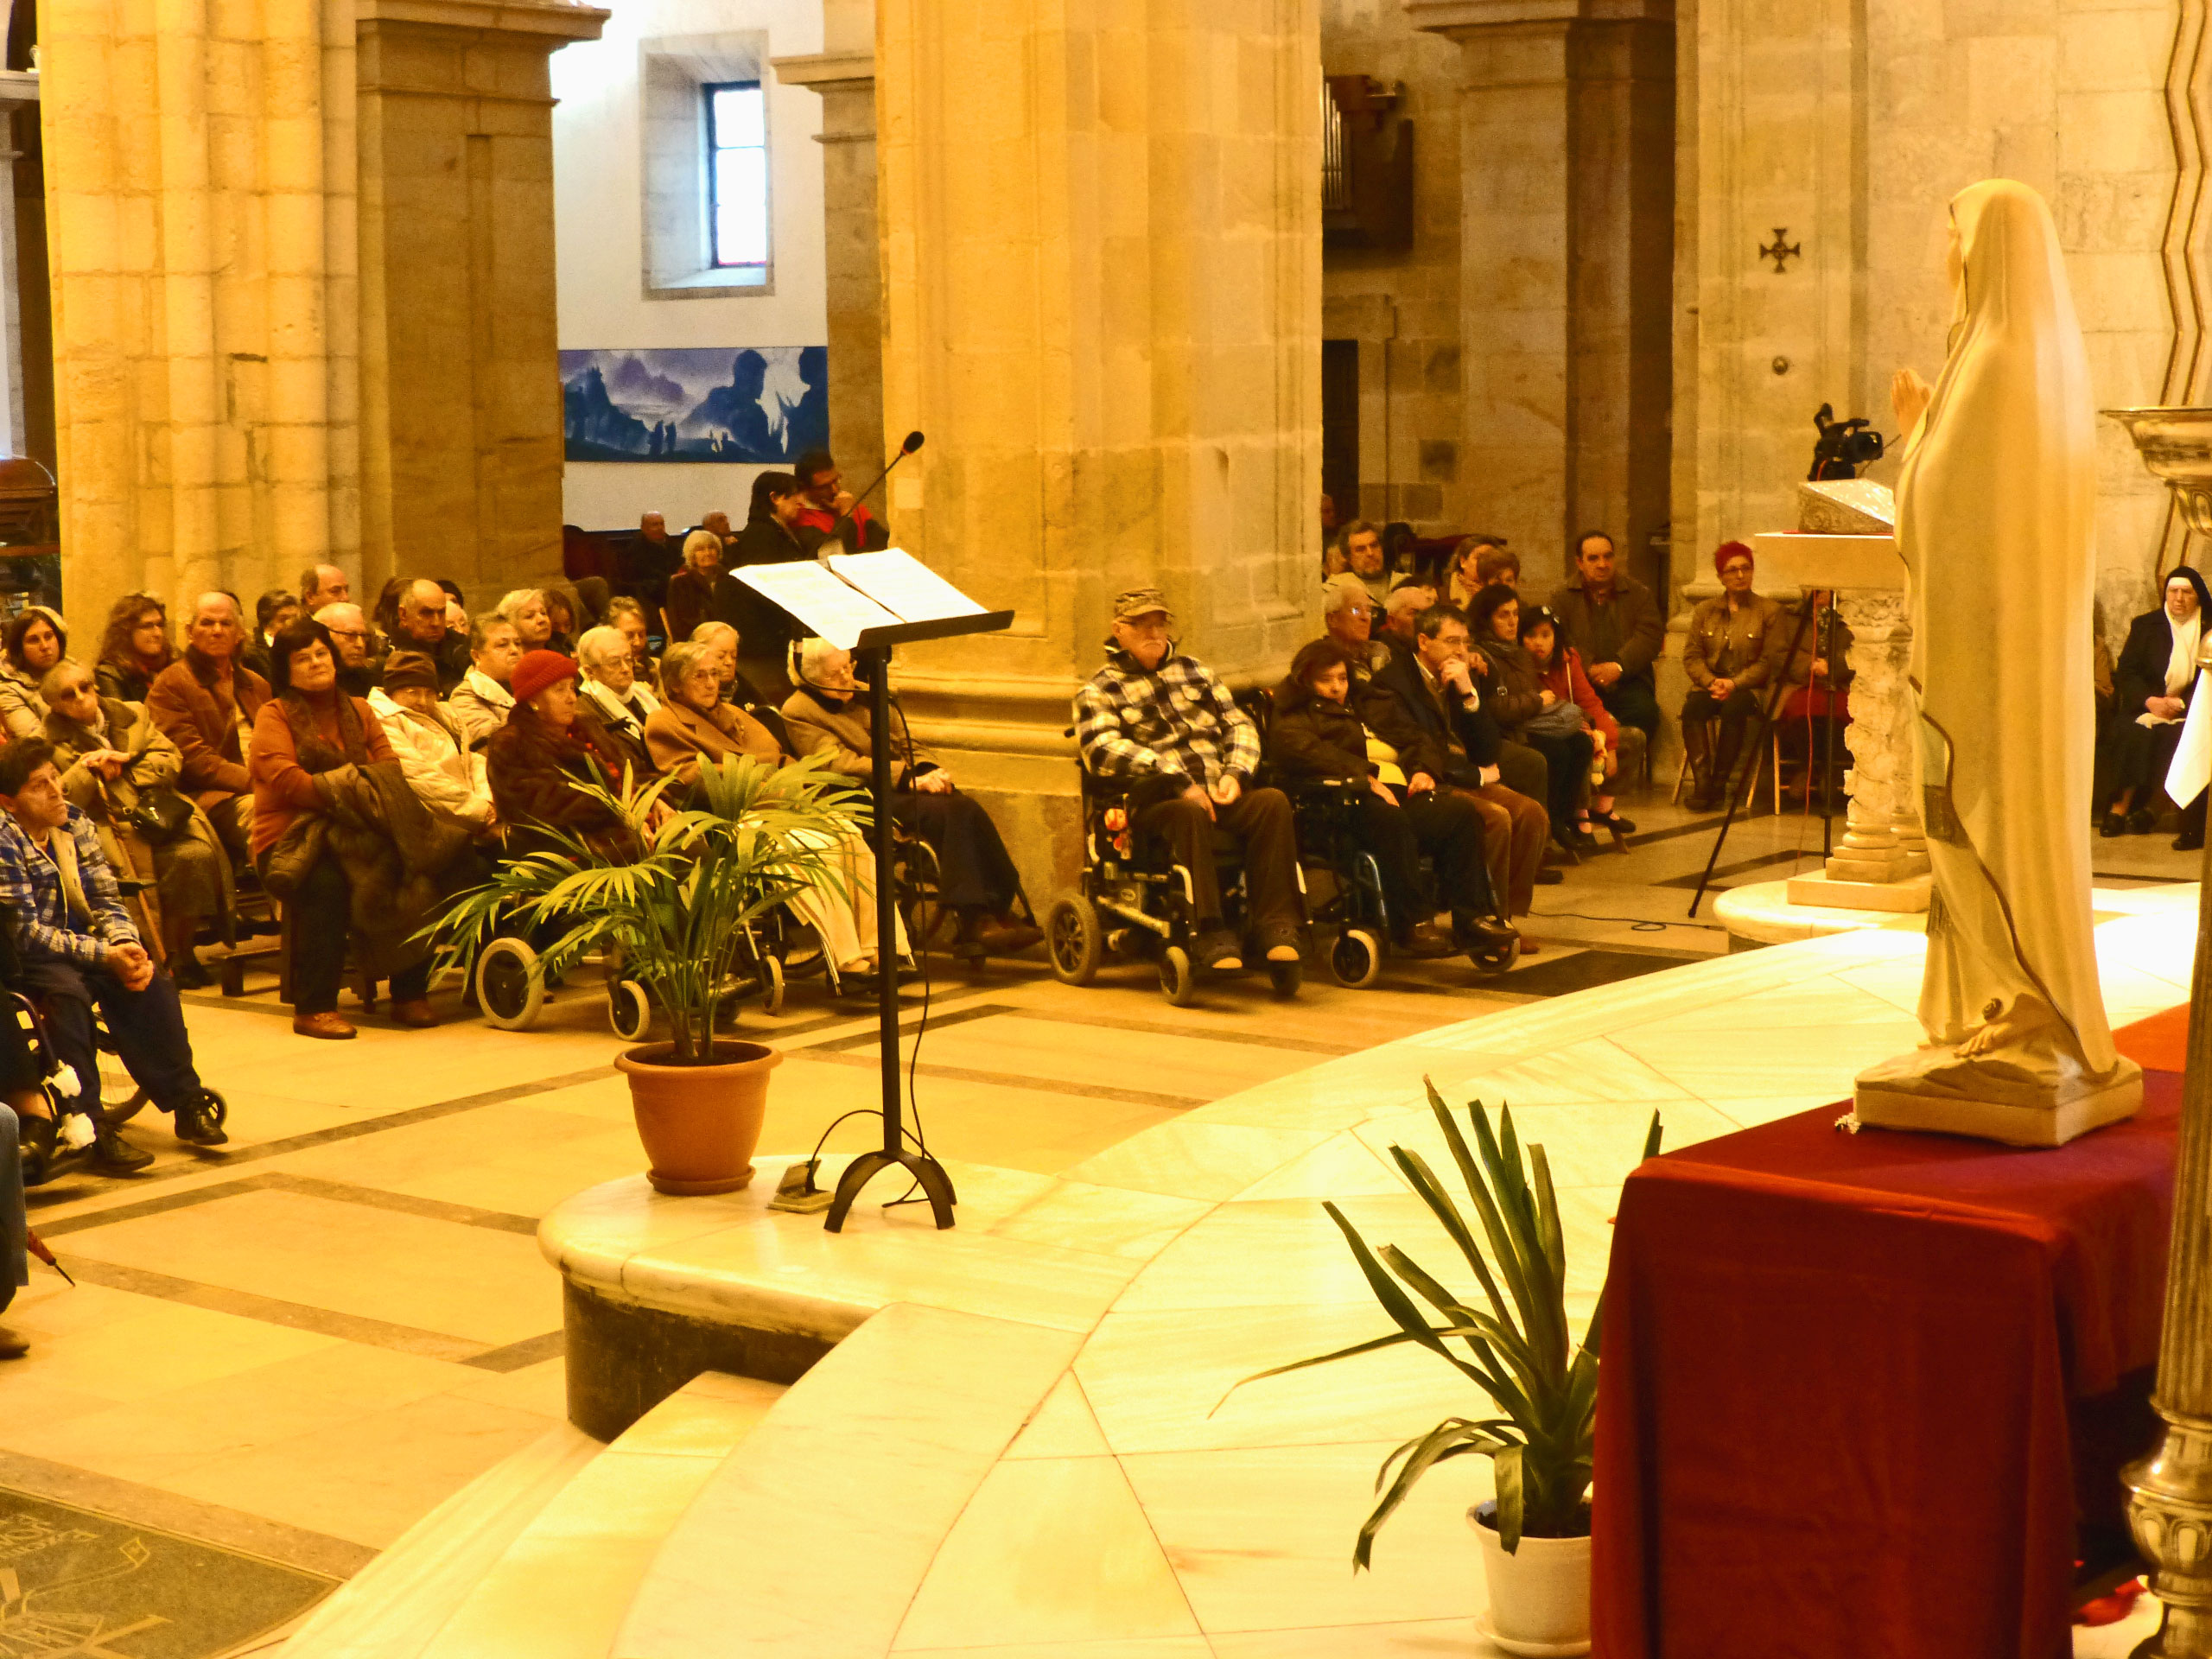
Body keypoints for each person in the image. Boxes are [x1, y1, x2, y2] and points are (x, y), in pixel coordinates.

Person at [0, 736, 226, 1147]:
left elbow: (105, 896)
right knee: (68, 997)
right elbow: (26, 931)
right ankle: (90, 1123)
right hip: (30, 955)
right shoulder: (4, 839)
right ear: (9, 802)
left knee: (150, 979)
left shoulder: (74, 823)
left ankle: (187, 1101)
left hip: (83, 941)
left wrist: (124, 944)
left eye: (55, 778)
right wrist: (105, 955)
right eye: (38, 785)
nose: (56, 791)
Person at [646, 641, 907, 988]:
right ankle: (846, 958)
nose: (711, 683)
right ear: (675, 684)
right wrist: (768, 784)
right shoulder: (664, 722)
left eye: (713, 674)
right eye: (699, 676)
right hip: (736, 817)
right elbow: (692, 776)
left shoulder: (736, 714)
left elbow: (780, 756)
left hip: (786, 802)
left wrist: (798, 784)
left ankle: (881, 946)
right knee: (816, 851)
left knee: (849, 837)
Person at [1073, 588, 1305, 972]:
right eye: (1141, 624)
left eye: (1159, 623)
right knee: (1188, 814)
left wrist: (1235, 773)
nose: (1153, 632)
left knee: (1272, 802)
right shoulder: (1099, 689)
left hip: (1217, 789)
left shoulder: (1197, 672)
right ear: (1118, 630)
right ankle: (1210, 931)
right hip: (1156, 803)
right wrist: (1177, 781)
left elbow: (1238, 724)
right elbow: (1102, 749)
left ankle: (1276, 925)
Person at [782, 638, 1041, 964]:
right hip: (857, 793)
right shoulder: (798, 710)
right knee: (950, 812)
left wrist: (928, 771)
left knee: (964, 806)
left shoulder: (871, 693)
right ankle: (975, 917)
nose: (847, 677)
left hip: (898, 782)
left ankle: (997, 908)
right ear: (811, 679)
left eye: (849, 666)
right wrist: (907, 778)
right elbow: (838, 764)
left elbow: (908, 742)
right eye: (835, 674)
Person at [249, 619, 442, 1038]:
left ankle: (410, 993)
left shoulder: (360, 709)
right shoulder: (273, 715)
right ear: (286, 671)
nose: (316, 663)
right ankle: (314, 1007)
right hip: (293, 837)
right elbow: (289, 782)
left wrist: (353, 794)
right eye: (303, 658)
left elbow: (389, 770)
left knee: (413, 867)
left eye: (321, 653)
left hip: (362, 828)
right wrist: (355, 789)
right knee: (327, 887)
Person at [1268, 639, 1516, 960]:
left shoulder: (1368, 701)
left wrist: (1424, 769)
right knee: (1391, 820)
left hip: (1398, 791)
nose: (1336, 687)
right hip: (1342, 804)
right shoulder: (1294, 715)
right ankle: (1413, 923)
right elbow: (1305, 752)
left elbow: (1417, 737)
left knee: (1458, 813)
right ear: (1306, 681)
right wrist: (1365, 778)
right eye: (1326, 680)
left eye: (1342, 678)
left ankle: (1472, 918)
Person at [1364, 605, 1551, 946]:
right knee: (1496, 818)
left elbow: (1488, 749)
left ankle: (1506, 915)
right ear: (1424, 641)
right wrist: (1473, 776)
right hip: (1427, 779)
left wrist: (1469, 695)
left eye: (1465, 642)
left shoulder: (1460, 676)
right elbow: (1415, 745)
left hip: (1462, 773)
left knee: (1531, 813)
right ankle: (1482, 916)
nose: (1461, 650)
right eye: (1452, 641)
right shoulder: (1392, 684)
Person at [42, 660, 232, 987]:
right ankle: (155, 957)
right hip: (106, 824)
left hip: (159, 812)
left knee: (197, 855)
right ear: (54, 705)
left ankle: (182, 950)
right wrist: (89, 768)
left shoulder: (132, 713)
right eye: (68, 695)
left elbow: (170, 758)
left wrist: (124, 763)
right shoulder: (46, 741)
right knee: (132, 877)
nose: (81, 698)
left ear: (95, 686)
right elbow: (59, 797)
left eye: (85, 688)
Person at [147, 592, 269, 872]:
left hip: (265, 784)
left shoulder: (256, 684)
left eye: (226, 624)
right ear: (190, 632)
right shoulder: (172, 683)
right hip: (210, 796)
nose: (216, 630)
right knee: (265, 814)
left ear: (239, 633)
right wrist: (257, 783)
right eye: (207, 623)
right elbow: (193, 760)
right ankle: (285, 900)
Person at [1469, 585, 1595, 853]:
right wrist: (1537, 700)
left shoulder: (1519, 653)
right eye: (1503, 615)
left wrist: (1580, 718)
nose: (1512, 621)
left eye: (1515, 613)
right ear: (1487, 619)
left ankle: (1561, 817)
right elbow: (1497, 709)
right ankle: (1545, 830)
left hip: (1526, 722)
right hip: (1504, 731)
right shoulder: (1482, 655)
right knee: (1554, 753)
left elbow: (1538, 694)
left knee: (1582, 743)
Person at [485, 650, 639, 860]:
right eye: (560, 690)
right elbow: (543, 809)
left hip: (626, 826)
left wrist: (654, 800)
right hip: (574, 850)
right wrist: (623, 812)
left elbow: (631, 771)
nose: (572, 698)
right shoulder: (512, 744)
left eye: (572, 688)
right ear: (533, 700)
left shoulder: (587, 725)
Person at [2101, 567, 2212, 846]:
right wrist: (2150, 701)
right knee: (2129, 734)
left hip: (2194, 709)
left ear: (2198, 596)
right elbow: (2128, 671)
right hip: (2146, 705)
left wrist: (2181, 703)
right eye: (2173, 591)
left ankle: (2157, 810)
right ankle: (2118, 809)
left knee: (2182, 740)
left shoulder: (2209, 628)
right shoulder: (2146, 625)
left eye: (2186, 592)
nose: (2179, 598)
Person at [1680, 541, 1784, 810]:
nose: (1740, 575)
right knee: (1693, 709)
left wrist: (1734, 683)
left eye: (1746, 568)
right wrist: (1711, 681)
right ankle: (1702, 785)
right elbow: (1692, 655)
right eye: (1732, 570)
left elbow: (1768, 662)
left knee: (1734, 709)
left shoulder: (1769, 611)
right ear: (1720, 576)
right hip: (1711, 685)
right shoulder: (1705, 611)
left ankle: (1719, 785)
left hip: (1749, 689)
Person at [1522, 603, 1637, 842]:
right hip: (1550, 729)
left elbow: (1589, 701)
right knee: (1581, 744)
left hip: (1577, 720)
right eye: (1531, 635)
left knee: (1633, 737)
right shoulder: (1520, 665)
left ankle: (1603, 808)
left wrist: (1610, 744)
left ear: (1556, 637)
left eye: (1545, 635)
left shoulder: (1568, 659)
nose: (1538, 642)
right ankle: (1578, 812)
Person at [1548, 531, 1664, 756]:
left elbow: (1649, 636)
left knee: (1646, 713)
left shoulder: (1639, 594)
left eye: (1608, 556)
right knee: (1571, 719)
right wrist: (1588, 667)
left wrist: (1618, 666)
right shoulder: (1561, 597)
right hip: (1579, 682)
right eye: (1593, 558)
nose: (1602, 564)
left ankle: (1620, 767)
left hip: (1628, 681)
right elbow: (1559, 637)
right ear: (1580, 563)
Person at [368, 651, 495, 836]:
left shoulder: (444, 714)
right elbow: (421, 778)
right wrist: (479, 810)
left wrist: (487, 800)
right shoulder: (382, 720)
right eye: (413, 693)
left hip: (473, 816)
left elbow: (470, 761)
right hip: (431, 827)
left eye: (429, 693)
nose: (423, 702)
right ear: (392, 692)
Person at [728, 470, 824, 700]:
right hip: (769, 641)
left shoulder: (778, 530)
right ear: (775, 498)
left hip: (781, 632)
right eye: (794, 495)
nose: (800, 502)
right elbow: (765, 587)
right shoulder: (761, 534)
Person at [1779, 592, 1854, 811]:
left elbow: (1859, 653)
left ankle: (1831, 771)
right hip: (1799, 683)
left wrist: (1832, 666)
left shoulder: (1851, 615)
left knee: (1839, 708)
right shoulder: (1789, 617)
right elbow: (1778, 653)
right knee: (1801, 707)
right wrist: (1811, 664)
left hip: (1839, 683)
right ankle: (1807, 767)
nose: (1821, 591)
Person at [573, 625, 660, 781]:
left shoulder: (642, 696)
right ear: (589, 671)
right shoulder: (584, 711)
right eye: (614, 662)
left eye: (628, 659)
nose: (626, 668)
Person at [447, 617, 523, 749]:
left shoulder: (533, 687)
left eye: (518, 643)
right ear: (476, 656)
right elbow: (496, 750)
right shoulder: (465, 697)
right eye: (502, 645)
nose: (514, 650)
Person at [791, 448, 887, 551]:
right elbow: (833, 552)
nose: (835, 490)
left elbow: (884, 542)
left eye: (836, 480)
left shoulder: (849, 504)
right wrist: (846, 513)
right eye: (825, 487)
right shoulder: (799, 517)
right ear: (805, 488)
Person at [664, 529, 742, 649]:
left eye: (711, 548)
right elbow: (679, 624)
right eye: (700, 549)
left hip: (729, 640)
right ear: (692, 555)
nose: (707, 553)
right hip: (695, 644)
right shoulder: (680, 583)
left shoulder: (731, 579)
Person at [388, 579, 469, 691]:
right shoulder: (390, 661)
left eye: (441, 612)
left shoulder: (463, 647)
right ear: (403, 614)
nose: (436, 622)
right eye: (426, 613)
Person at [95, 594, 176, 703]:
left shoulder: (173, 664)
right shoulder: (109, 674)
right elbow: (120, 713)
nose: (158, 633)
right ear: (126, 632)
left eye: (160, 625)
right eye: (147, 626)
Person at [0, 608, 66, 739]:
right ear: (19, 648)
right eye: (33, 640)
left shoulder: (71, 670)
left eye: (49, 636)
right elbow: (35, 741)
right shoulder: (8, 690)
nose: (45, 646)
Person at [1319, 575, 1389, 681]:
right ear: (1332, 619)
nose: (1366, 618)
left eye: (1369, 611)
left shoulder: (1379, 654)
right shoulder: (1322, 662)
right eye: (1356, 610)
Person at [617, 511, 682, 614]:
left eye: (661, 524)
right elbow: (643, 571)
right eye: (655, 525)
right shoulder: (636, 547)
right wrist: (670, 578)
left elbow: (680, 561)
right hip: (652, 586)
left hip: (676, 580)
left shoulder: (671, 543)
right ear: (644, 528)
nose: (660, 527)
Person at [313, 601, 381, 696]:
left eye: (364, 636)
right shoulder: (306, 681)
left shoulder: (373, 682)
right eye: (350, 635)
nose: (360, 644)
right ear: (323, 635)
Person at [245, 588, 298, 683]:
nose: (291, 624)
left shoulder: (304, 645)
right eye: (283, 620)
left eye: (295, 619)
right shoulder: (251, 654)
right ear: (266, 623)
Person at [1334, 519, 1389, 605]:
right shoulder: (1336, 589)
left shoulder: (1403, 583)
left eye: (1374, 545)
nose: (1370, 553)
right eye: (1361, 549)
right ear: (1349, 558)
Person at [607, 595, 658, 681]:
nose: (638, 643)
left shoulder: (658, 668)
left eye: (641, 635)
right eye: (629, 636)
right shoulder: (601, 679)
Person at [495, 588, 560, 656]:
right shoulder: (506, 660)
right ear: (510, 625)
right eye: (530, 616)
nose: (542, 619)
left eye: (543, 613)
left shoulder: (562, 654)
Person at [1378, 583, 1432, 658]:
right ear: (1392, 621)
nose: (1424, 619)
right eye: (1415, 613)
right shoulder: (1381, 656)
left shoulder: (1427, 648)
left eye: (1426, 613)